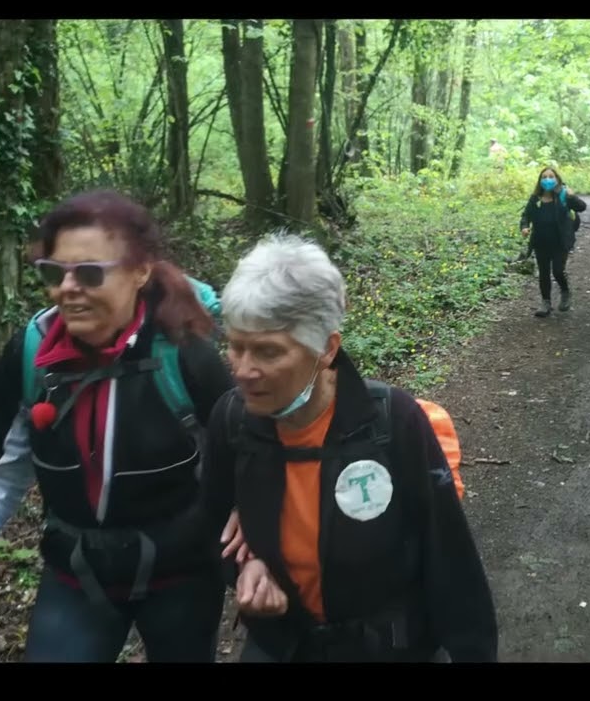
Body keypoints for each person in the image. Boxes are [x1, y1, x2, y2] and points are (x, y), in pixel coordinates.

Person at [0, 189, 243, 662]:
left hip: (182, 577)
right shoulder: (32, 354)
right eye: (54, 272)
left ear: (140, 272)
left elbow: (240, 458)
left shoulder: (183, 352)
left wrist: (258, 550)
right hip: (78, 576)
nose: (68, 288)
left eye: (90, 272)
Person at [206, 232, 498, 663]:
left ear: (326, 349)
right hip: (284, 645)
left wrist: (474, 653)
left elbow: (449, 557)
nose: (244, 370)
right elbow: (210, 523)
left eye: (268, 352)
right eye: (235, 346)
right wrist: (245, 566)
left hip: (389, 648)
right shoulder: (232, 421)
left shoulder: (392, 423)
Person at [519, 166, 586, 317]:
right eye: (544, 177)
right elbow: (526, 216)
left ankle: (565, 291)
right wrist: (524, 227)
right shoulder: (535, 198)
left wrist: (571, 196)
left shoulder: (563, 196)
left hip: (560, 242)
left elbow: (582, 207)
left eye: (551, 176)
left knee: (557, 271)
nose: (547, 180)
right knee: (543, 273)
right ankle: (546, 302)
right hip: (540, 242)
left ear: (557, 179)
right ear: (540, 180)